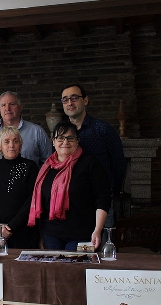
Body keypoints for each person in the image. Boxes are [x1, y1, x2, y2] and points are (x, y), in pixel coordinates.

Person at [27, 121, 112, 251]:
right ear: (53, 141)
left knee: (75, 271)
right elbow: (42, 204)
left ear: (77, 141)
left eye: (70, 138)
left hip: (82, 234)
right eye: (60, 138)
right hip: (51, 235)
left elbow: (103, 197)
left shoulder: (89, 163)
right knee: (53, 271)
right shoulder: (46, 168)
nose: (65, 142)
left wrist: (97, 230)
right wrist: (40, 235)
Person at [60, 84, 126, 239]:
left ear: (86, 100)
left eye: (74, 98)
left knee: (102, 249)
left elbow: (119, 165)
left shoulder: (103, 130)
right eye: (65, 100)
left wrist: (111, 192)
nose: (70, 102)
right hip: (72, 204)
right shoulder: (60, 133)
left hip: (99, 202)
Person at [0, 126, 39, 248]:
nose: (11, 145)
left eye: (15, 141)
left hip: (22, 232)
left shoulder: (30, 166)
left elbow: (32, 199)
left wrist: (11, 227)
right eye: (6, 141)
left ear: (20, 145)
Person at [0, 91, 52, 167]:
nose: (7, 108)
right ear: (0, 109)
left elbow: (48, 162)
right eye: (3, 105)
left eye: (12, 104)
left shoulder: (37, 132)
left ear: (20, 107)